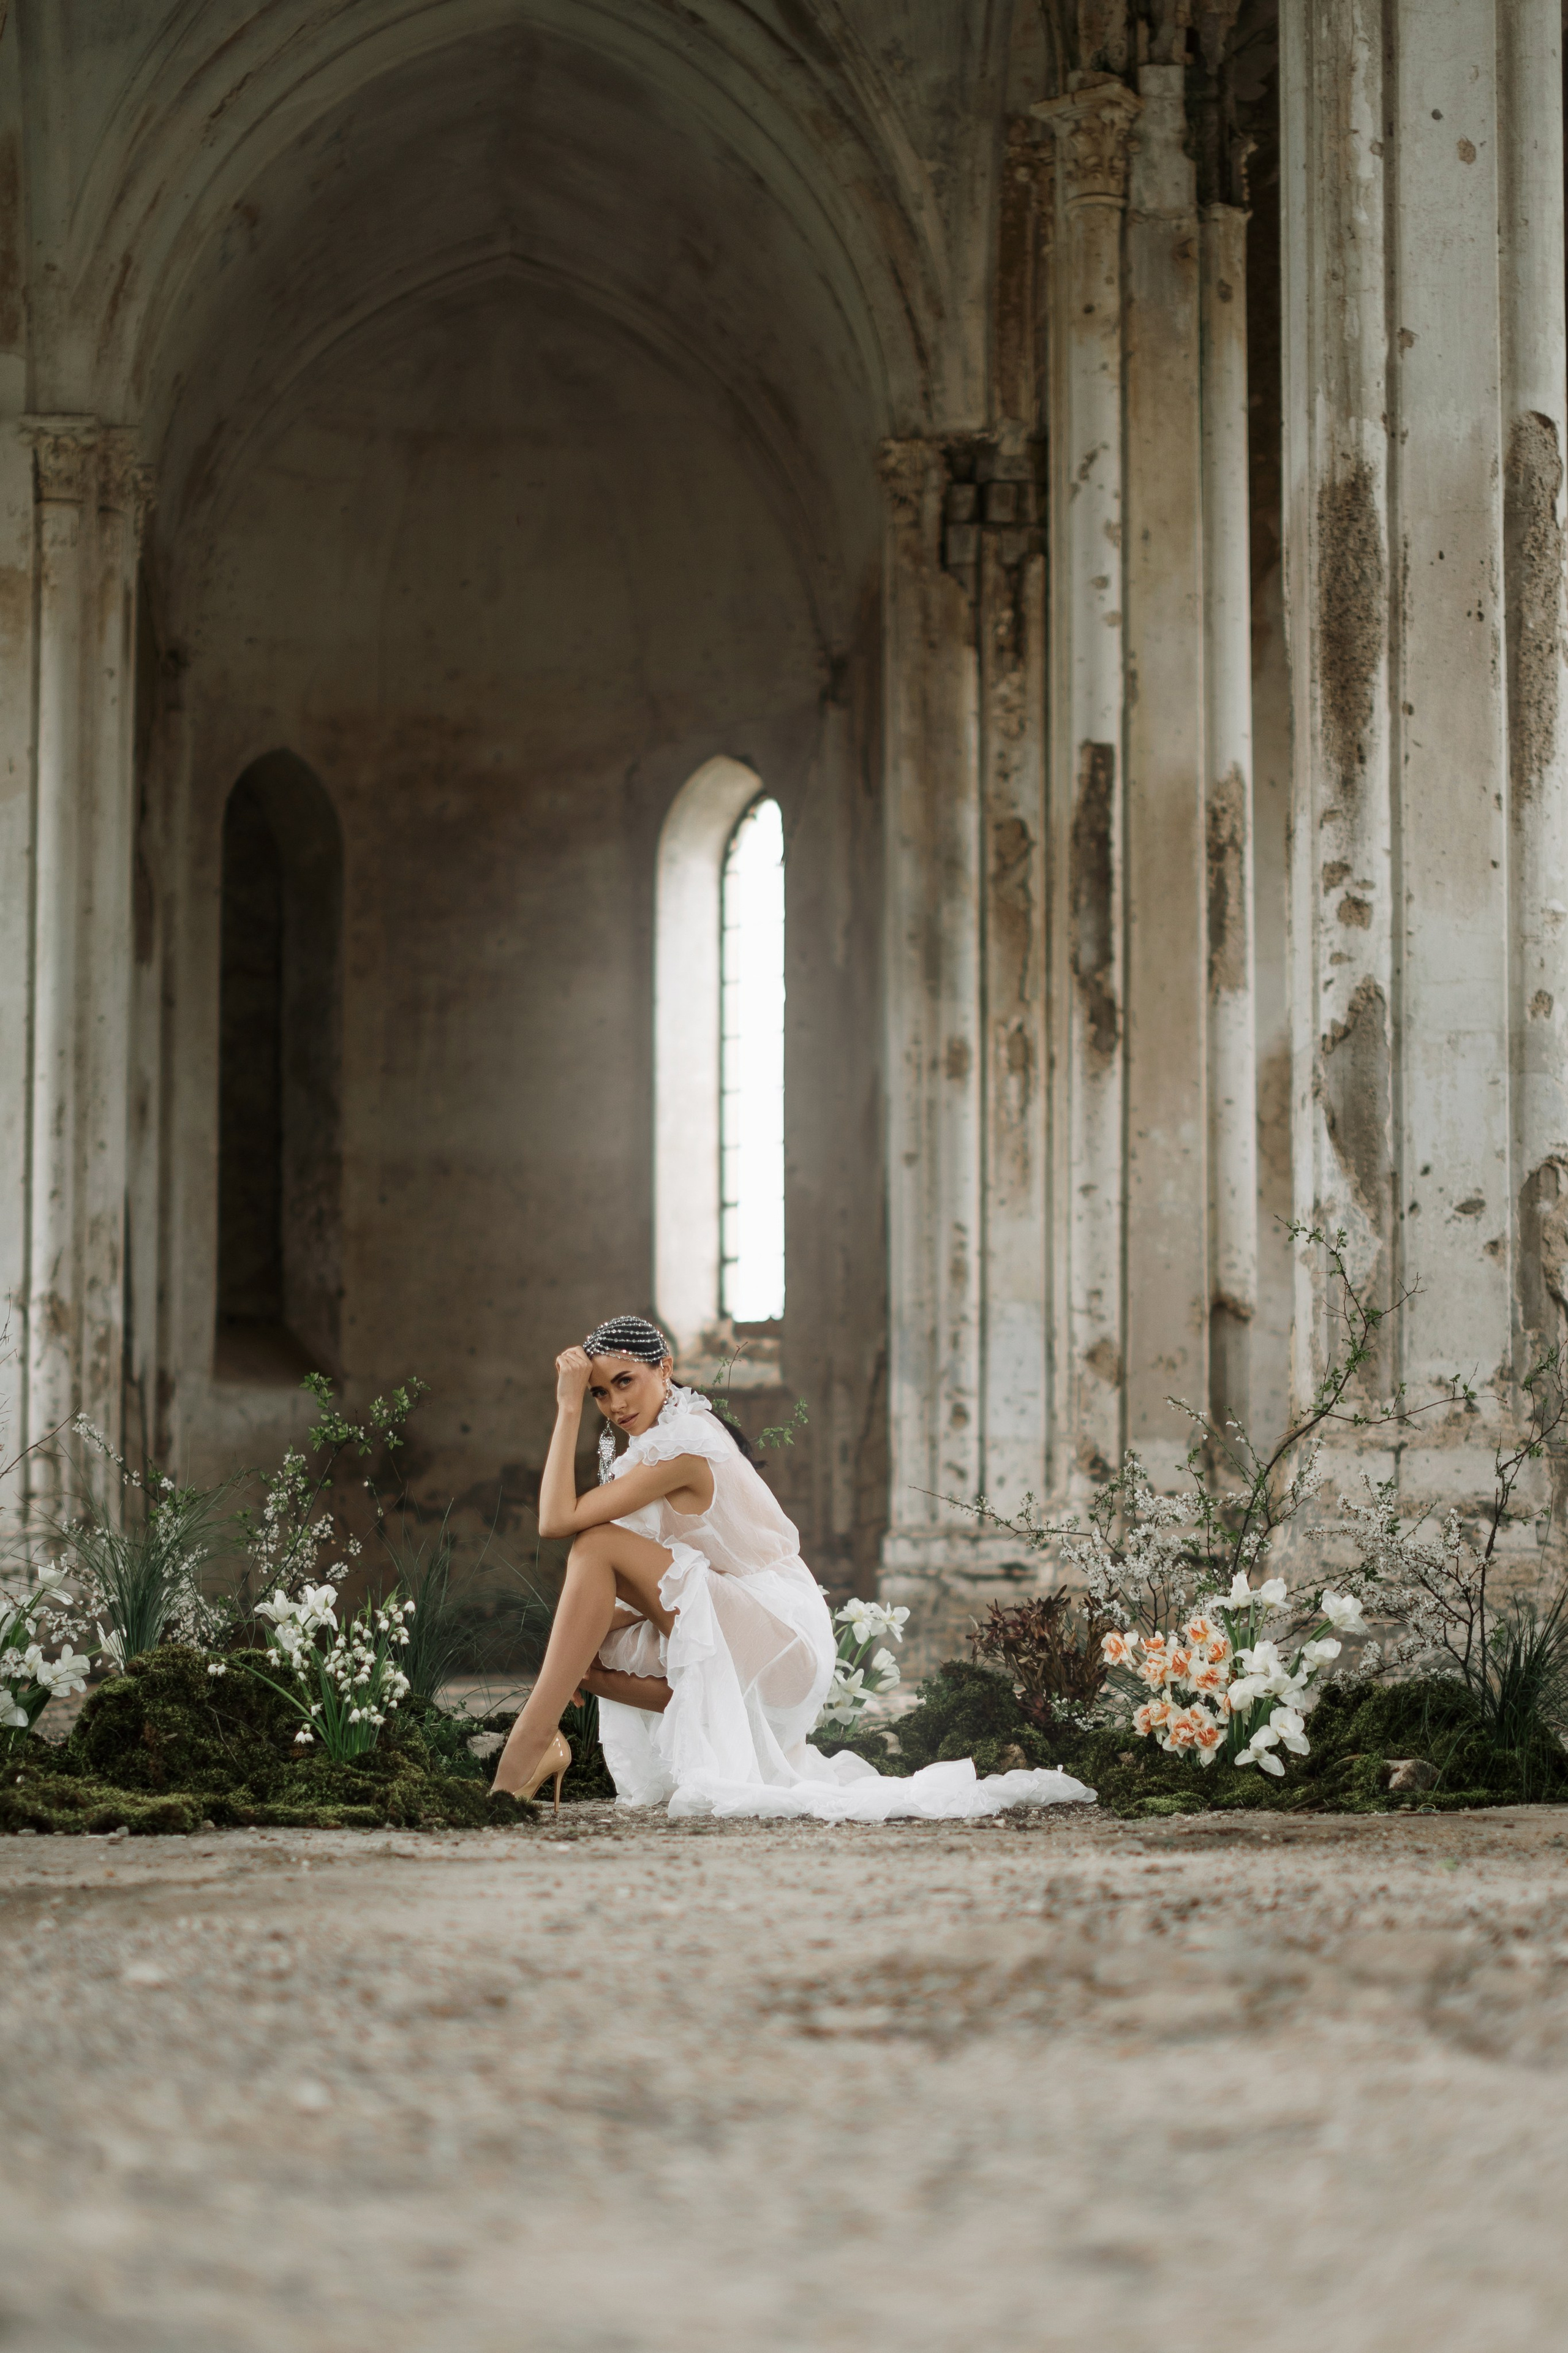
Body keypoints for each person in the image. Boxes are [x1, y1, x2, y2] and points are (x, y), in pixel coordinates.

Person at [490, 1315, 1094, 1820]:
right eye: (598, 1392)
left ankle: (525, 1748)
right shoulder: (654, 1444)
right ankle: (548, 1744)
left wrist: (567, 1409)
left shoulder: (684, 1445)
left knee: (593, 1546)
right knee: (584, 1655)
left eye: (625, 1382)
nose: (614, 1403)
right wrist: (582, 1650)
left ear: (665, 1368)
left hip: (781, 1641)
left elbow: (556, 1521)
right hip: (737, 1629)